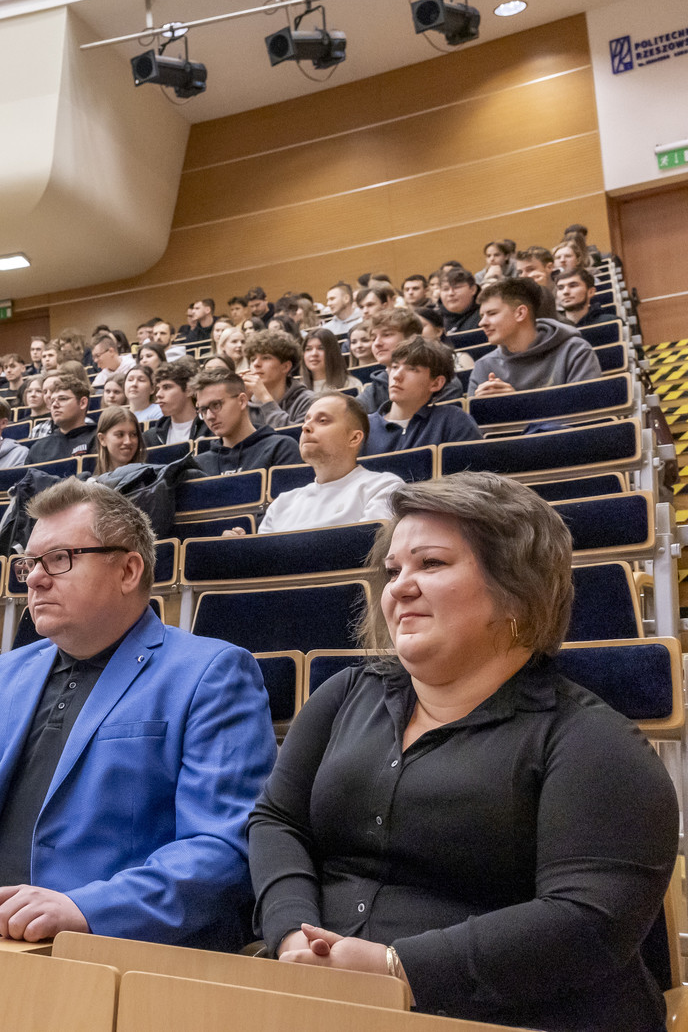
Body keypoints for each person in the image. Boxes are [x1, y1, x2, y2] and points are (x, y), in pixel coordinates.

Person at [249, 474, 677, 1031]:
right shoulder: (345, 694)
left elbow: (588, 922)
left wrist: (396, 968)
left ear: (516, 588)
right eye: (393, 571)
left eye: (430, 564)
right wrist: (290, 934)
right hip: (315, 997)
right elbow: (278, 820)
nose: (400, 588)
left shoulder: (593, 742)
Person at [0, 480, 275, 943]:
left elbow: (220, 847)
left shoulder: (210, 673)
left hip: (109, 950)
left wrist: (85, 908)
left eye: (59, 559)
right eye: (29, 563)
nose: (34, 578)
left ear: (129, 570)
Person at [222, 394, 403, 536]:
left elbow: (367, 550)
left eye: (322, 420)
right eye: (306, 420)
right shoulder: (282, 504)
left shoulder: (383, 487)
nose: (305, 427)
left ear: (354, 438)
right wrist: (245, 549)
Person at [469, 277, 602, 397]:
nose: (482, 323)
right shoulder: (483, 367)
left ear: (520, 313)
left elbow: (586, 410)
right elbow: (473, 417)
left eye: (492, 313)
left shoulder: (575, 351)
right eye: (482, 316)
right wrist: (479, 407)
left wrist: (517, 402)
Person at [364, 338, 483, 454]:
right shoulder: (364, 427)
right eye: (395, 367)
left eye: (412, 369)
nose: (396, 376)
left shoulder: (454, 421)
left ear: (436, 383)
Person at [191, 369, 300, 476]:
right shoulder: (197, 465)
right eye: (203, 410)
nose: (209, 416)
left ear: (242, 401)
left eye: (216, 405)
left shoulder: (280, 448)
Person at [241, 331, 314, 427]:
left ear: (285, 367)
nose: (256, 364)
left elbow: (294, 434)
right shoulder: (245, 402)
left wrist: (266, 399)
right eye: (252, 359)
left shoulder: (307, 400)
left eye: (266, 358)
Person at [26, 377, 97, 464]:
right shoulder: (38, 448)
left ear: (82, 403)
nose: (54, 405)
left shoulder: (98, 439)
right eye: (52, 401)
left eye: (63, 399)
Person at [143, 359, 209, 447]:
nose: (158, 394)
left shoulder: (210, 428)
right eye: (158, 389)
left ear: (189, 390)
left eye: (166, 387)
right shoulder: (150, 437)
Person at [87, 406, 145, 477]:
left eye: (133, 434)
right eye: (120, 435)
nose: (128, 441)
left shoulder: (151, 478)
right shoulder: (92, 482)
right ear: (102, 439)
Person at [300, 328, 351, 394]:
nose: (314, 354)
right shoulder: (297, 390)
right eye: (308, 349)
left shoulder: (350, 384)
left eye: (321, 348)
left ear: (333, 353)